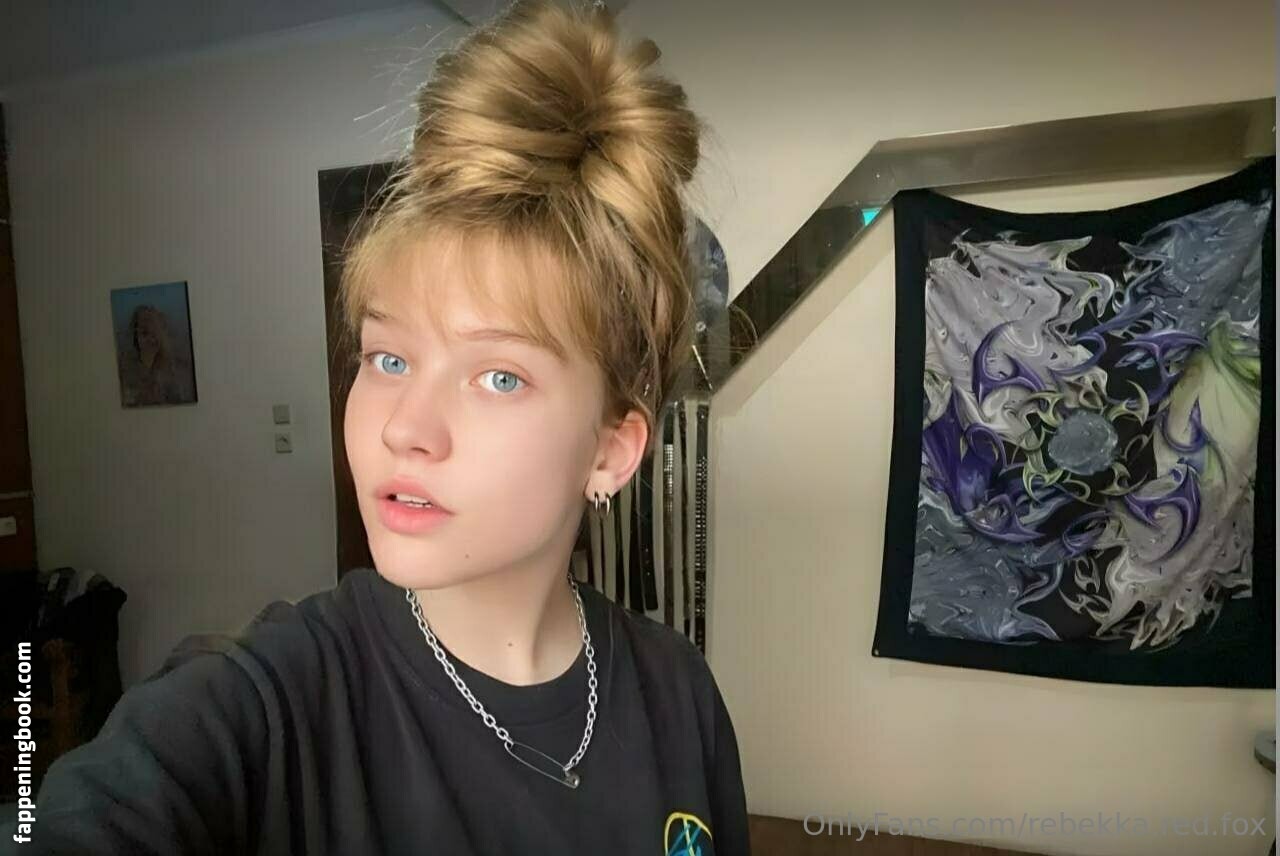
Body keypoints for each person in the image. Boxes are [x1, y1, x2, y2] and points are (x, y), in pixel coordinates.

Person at [24, 0, 749, 853]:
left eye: (499, 376)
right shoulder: (273, 699)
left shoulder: (679, 695)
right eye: (389, 358)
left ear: (611, 451)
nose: (405, 428)